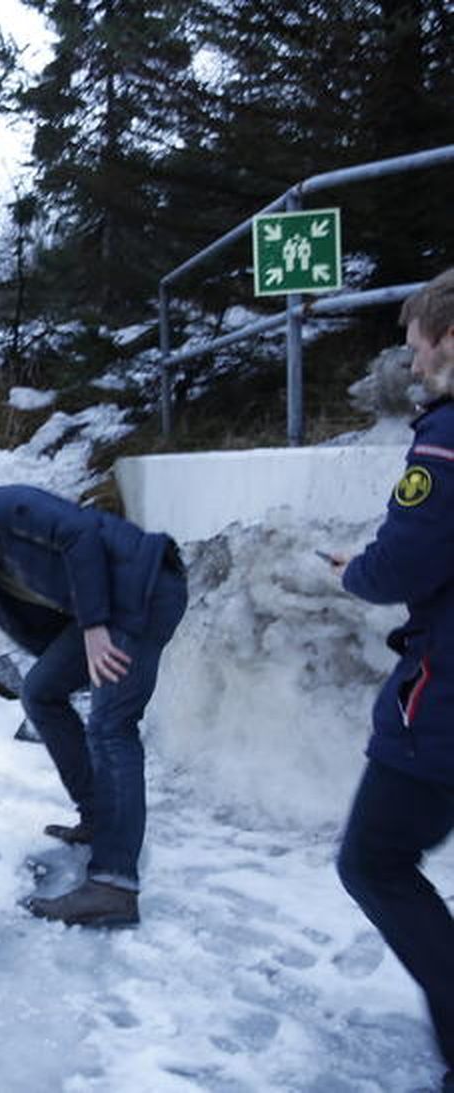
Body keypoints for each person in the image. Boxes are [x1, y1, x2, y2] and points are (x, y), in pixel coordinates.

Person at [0, 482, 187, 928]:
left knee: (111, 726)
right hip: (104, 608)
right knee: (40, 691)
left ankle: (114, 886)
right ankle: (97, 817)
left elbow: (80, 535)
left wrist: (93, 626)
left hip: (140, 591)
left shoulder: (3, 508)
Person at [331, 267, 454, 1091]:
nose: (413, 365)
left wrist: (357, 571)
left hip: (444, 702)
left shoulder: (444, 438)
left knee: (372, 857)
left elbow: (406, 554)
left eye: (418, 346)